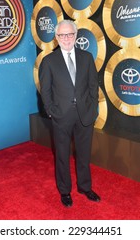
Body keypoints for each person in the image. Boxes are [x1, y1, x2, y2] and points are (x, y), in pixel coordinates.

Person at [39, 19, 100, 207]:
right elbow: (45, 90)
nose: (66, 38)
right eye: (62, 35)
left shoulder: (87, 57)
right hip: (61, 116)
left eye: (70, 34)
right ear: (57, 37)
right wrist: (51, 111)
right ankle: (65, 191)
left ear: (76, 36)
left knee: (84, 154)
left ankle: (84, 186)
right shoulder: (49, 61)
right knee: (62, 156)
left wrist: (92, 108)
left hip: (84, 115)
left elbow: (93, 86)